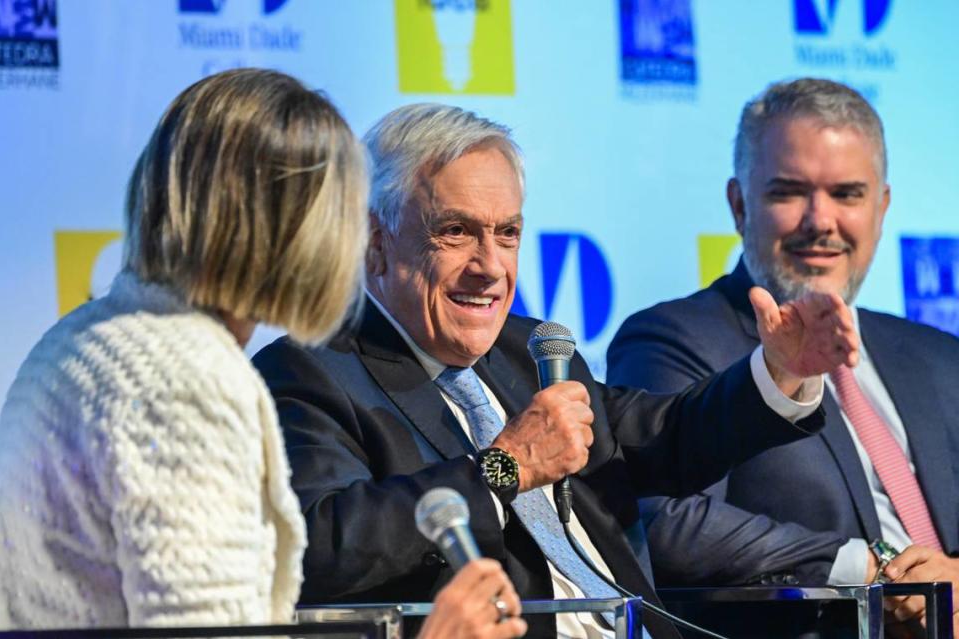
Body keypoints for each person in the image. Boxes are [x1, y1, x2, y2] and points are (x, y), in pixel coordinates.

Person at [252, 102, 860, 638]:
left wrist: (777, 374)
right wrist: (503, 469)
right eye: (455, 231)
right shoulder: (309, 373)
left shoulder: (531, 351)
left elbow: (667, 435)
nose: (490, 266)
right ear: (374, 242)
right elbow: (319, 547)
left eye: (508, 233)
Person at [0, 68, 526, 639]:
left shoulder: (88, 334)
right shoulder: (186, 378)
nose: (354, 242)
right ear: (279, 225)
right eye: (342, 213)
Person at [607, 77, 959, 634]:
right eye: (788, 192)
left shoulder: (939, 356)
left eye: (847, 194)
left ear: (882, 206)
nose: (821, 221)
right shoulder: (676, 338)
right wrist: (878, 569)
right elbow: (663, 523)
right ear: (739, 204)